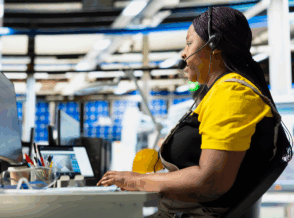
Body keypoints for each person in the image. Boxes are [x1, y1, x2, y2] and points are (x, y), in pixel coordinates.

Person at [97, 6, 292, 218]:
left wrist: (134, 180)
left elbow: (210, 180)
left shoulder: (232, 93)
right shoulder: (220, 92)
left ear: (214, 44)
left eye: (189, 43)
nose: (184, 52)